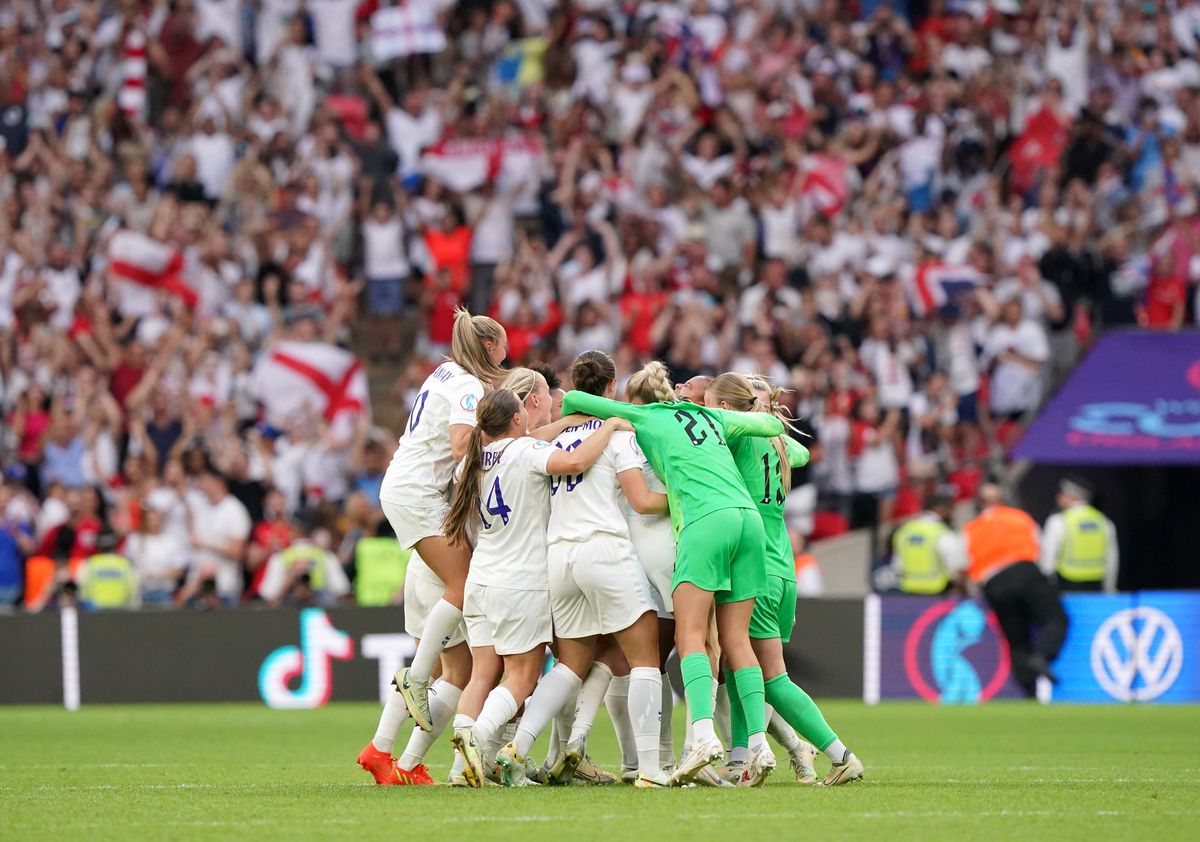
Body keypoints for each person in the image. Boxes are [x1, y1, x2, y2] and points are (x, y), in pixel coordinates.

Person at [561, 361, 786, 785]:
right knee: (736, 640)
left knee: (689, 636)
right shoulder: (713, 414)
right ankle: (756, 744)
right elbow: (773, 431)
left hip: (704, 523)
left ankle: (701, 735)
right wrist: (761, 404)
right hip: (749, 522)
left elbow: (572, 398)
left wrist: (612, 420)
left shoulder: (645, 415)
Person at [442, 388, 630, 788]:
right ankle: (475, 742)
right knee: (523, 677)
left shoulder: (470, 463)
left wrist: (565, 424)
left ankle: (460, 769)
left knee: (482, 676)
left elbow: (532, 440)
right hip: (520, 580)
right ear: (515, 419)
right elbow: (575, 459)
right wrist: (610, 424)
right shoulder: (526, 454)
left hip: (481, 579)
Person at [499, 351, 669, 788]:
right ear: (611, 389)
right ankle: (648, 769)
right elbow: (639, 501)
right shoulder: (618, 436)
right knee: (646, 658)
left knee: (571, 664)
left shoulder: (554, 438)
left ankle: (518, 745)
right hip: (604, 550)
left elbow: (530, 438)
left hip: (560, 557)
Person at [359, 308, 507, 786]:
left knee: (459, 667)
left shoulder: (444, 372)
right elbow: (462, 443)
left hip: (417, 492)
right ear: (489, 348)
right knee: (464, 583)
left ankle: (390, 756)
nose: (507, 355)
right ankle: (414, 679)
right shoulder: (466, 386)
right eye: (502, 346)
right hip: (422, 494)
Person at [705, 373, 862, 787]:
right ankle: (741, 758)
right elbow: (803, 453)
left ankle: (837, 753)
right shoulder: (778, 444)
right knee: (744, 669)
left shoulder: (737, 438)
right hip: (782, 566)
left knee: (769, 676)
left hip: (753, 565)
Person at [961, 484, 1068, 698]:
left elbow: (962, 562)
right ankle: (1043, 656)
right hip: (1025, 572)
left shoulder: (971, 528)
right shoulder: (1020, 518)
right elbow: (1042, 548)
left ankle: (1029, 693)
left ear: (978, 504)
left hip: (993, 583)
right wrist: (1046, 578)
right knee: (1055, 620)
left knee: (1016, 640)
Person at [1039, 479, 1119, 593]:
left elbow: (1048, 560)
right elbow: (1112, 559)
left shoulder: (1059, 520)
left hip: (1067, 585)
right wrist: (1109, 588)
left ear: (1073, 496)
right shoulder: (1103, 521)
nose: (1058, 497)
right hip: (1096, 586)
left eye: (1062, 494)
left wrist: (1047, 588)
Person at [890, 488, 967, 596]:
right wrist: (964, 594)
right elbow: (957, 569)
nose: (952, 514)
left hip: (909, 593)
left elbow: (898, 567)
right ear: (942, 509)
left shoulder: (904, 531)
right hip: (938, 593)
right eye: (951, 510)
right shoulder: (942, 533)